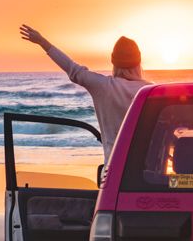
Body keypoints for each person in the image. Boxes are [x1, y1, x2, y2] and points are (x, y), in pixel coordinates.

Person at [20, 24, 150, 163]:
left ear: (114, 63)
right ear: (138, 62)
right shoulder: (150, 91)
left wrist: (42, 42)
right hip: (148, 175)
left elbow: (73, 69)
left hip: (114, 172)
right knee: (175, 182)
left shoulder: (104, 87)